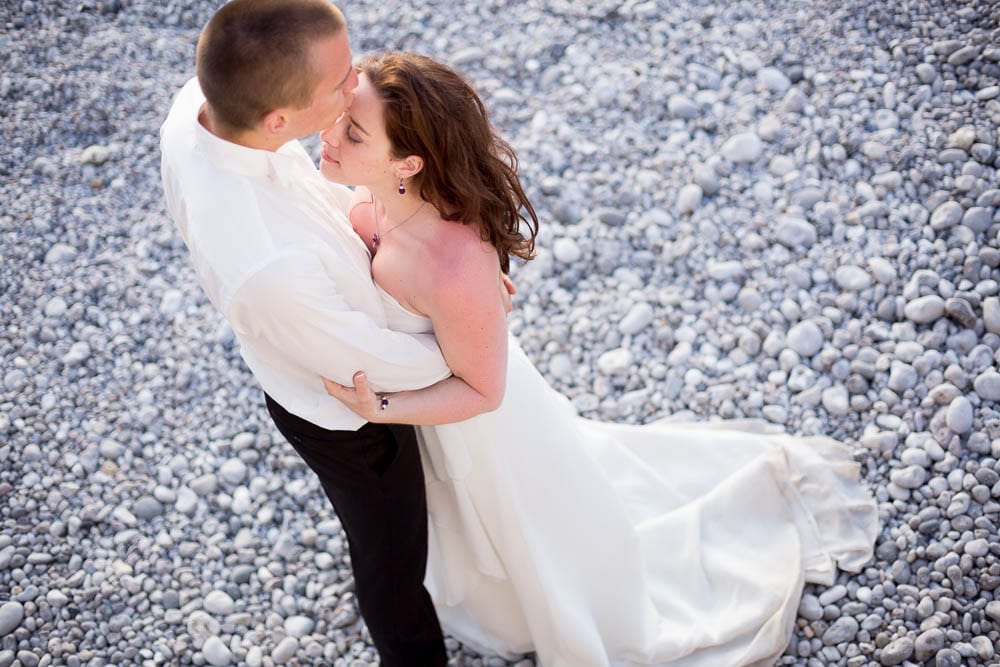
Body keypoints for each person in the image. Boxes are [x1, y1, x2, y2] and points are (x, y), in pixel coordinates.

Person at [320, 52, 880, 666]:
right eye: (342, 117)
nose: (328, 135)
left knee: (533, 532)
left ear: (409, 163)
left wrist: (383, 404)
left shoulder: (448, 261)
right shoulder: (367, 202)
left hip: (482, 426)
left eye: (353, 131)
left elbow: (484, 392)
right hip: (440, 419)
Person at [158, 2, 498, 664]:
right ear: (278, 121)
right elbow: (397, 367)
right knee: (391, 556)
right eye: (341, 81)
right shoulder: (270, 272)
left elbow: (329, 212)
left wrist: (444, 269)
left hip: (334, 326)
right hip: (349, 416)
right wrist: (470, 317)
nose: (358, 87)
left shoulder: (202, 103)